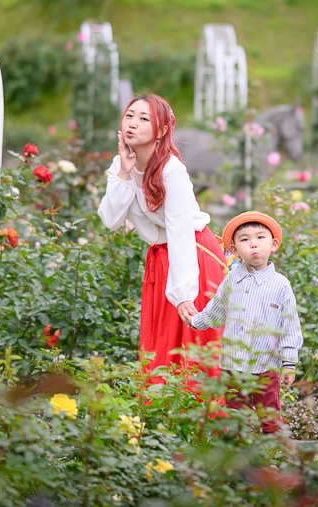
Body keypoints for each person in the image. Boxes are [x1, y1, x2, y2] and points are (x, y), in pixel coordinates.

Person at [97, 94, 226, 384]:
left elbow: (180, 231)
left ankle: (201, 410)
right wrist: (124, 173)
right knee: (161, 345)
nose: (132, 123)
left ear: (162, 130)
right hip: (160, 258)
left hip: (192, 257)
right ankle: (161, 409)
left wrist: (183, 294)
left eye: (144, 119)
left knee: (192, 346)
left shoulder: (171, 169)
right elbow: (110, 219)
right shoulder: (122, 164)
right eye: (130, 116)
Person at [187, 211, 303, 433]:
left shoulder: (280, 284)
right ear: (234, 250)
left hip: (265, 364)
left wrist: (289, 363)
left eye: (260, 237)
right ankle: (239, 447)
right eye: (244, 239)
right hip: (233, 364)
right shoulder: (232, 280)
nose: (253, 244)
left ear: (273, 244)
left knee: (269, 412)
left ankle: (273, 447)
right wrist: (195, 320)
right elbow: (216, 308)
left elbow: (290, 326)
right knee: (236, 412)